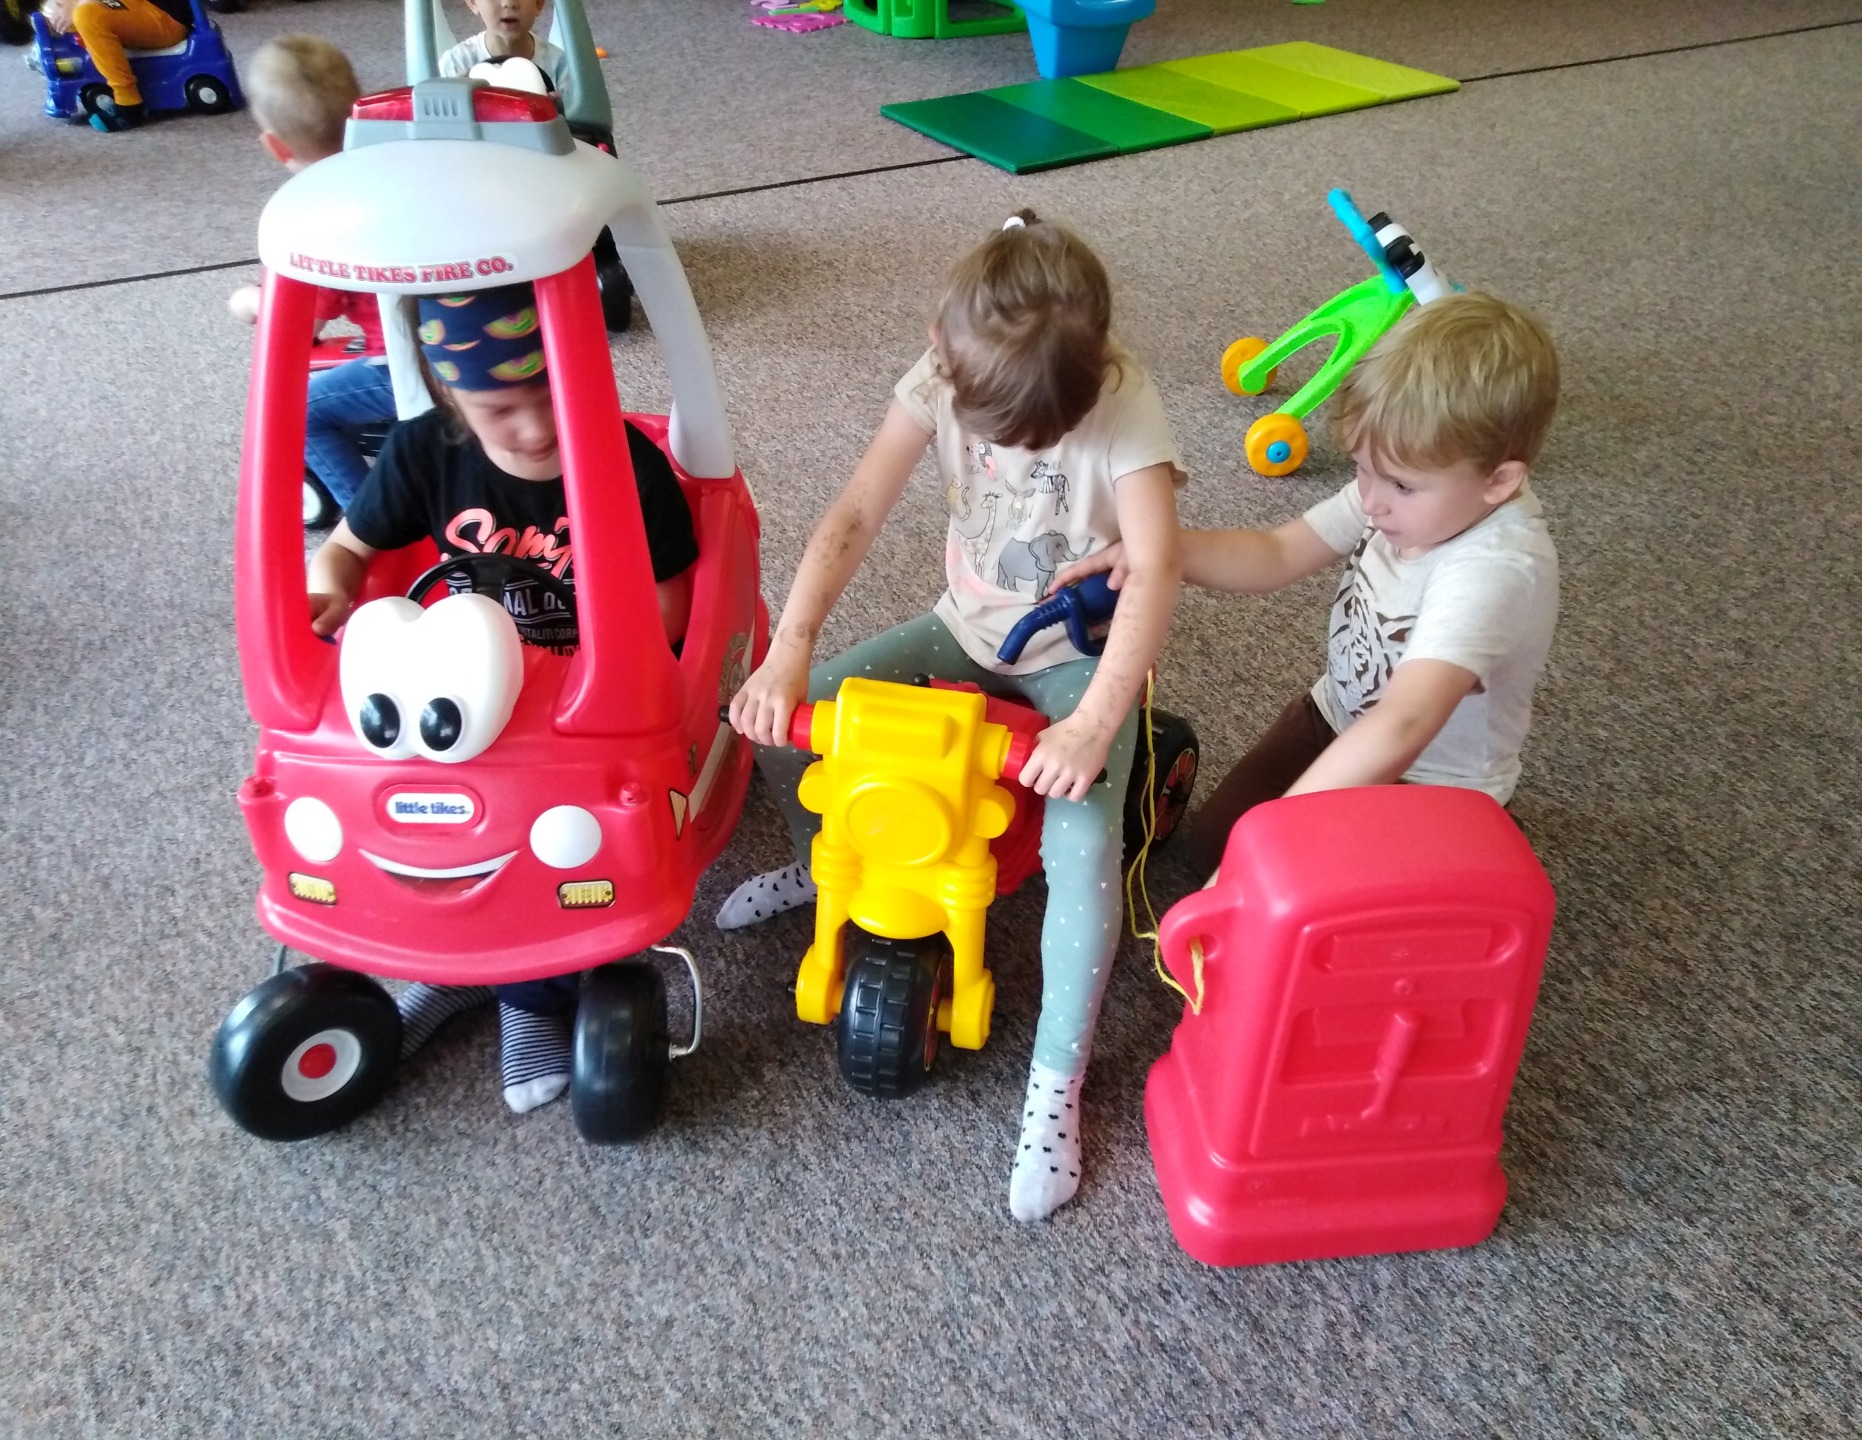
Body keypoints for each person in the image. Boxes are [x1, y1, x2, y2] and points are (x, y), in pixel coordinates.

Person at [723, 211, 1184, 1222]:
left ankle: (1057, 1081)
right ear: (941, 348)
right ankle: (822, 865)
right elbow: (856, 510)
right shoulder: (939, 370)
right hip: (961, 625)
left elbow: (1156, 570)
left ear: (1100, 368)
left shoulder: (1126, 403)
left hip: (1076, 658)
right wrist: (789, 649)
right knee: (793, 726)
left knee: (1083, 844)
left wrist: (1094, 724)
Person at [306, 282, 700, 1112]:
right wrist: (330, 588)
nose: (534, 427)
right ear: (453, 399)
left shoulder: (626, 465)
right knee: (406, 824)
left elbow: (672, 607)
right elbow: (345, 550)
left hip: (585, 700)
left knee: (554, 843)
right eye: (498, 410)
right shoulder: (424, 451)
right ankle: (450, 968)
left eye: (550, 394)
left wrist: (593, 662)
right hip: (460, 691)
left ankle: (529, 998)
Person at [1055, 291, 1562, 879]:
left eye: (1399, 485)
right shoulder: (1398, 487)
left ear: (1499, 481)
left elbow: (1404, 724)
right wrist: (1162, 551)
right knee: (1218, 847)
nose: (1370, 501)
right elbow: (1277, 552)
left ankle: (1475, 851)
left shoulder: (1493, 571)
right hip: (1334, 717)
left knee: (1291, 887)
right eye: (1361, 470)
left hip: (1428, 778)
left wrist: (1276, 839)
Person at [226, 37, 394, 520]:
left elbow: (298, 328)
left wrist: (249, 301)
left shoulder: (313, 221)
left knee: (291, 413)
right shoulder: (396, 164)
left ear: (274, 145)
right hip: (466, 337)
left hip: (408, 369)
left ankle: (369, 522)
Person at [40, 0, 190, 131]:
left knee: (87, 16)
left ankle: (128, 101)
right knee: (55, 12)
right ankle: (95, 59)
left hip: (163, 13)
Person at [438, 0, 570, 104]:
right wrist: (460, 99)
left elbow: (575, 124)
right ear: (473, 2)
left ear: (539, 3)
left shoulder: (561, 66)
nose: (508, 3)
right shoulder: (456, 64)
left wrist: (557, 111)